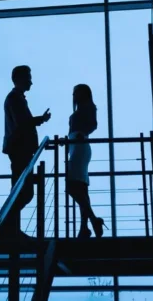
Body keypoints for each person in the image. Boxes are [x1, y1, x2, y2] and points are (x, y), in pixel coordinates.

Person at [0, 65, 51, 239]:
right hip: (19, 149)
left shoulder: (16, 98)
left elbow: (22, 122)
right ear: (19, 79)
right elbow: (22, 123)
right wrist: (41, 120)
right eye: (28, 78)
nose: (31, 82)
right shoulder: (14, 98)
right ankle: (6, 228)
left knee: (21, 190)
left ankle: (9, 228)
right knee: (24, 191)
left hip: (20, 149)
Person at [66, 83, 104, 239]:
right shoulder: (80, 110)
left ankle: (92, 221)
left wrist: (81, 134)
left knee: (72, 187)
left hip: (80, 146)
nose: (74, 95)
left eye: (76, 92)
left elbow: (93, 125)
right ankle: (84, 227)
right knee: (81, 189)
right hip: (75, 146)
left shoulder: (88, 107)